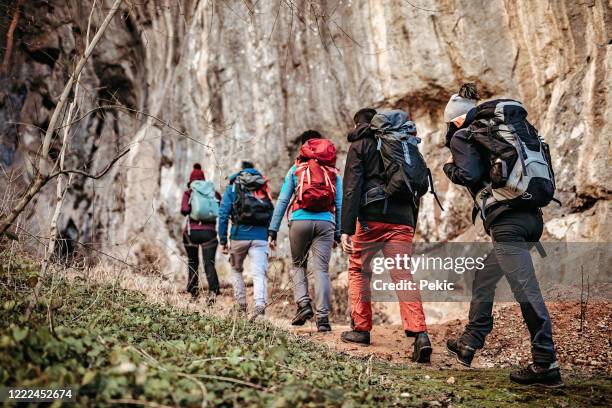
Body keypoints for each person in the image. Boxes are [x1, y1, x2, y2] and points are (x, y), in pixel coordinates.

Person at [442, 83, 563, 388]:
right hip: (531, 217)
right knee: (484, 276)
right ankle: (470, 342)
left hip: (508, 222)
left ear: (456, 120)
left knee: (526, 290)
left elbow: (468, 175)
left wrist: (448, 169)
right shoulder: (507, 130)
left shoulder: (464, 134)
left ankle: (545, 363)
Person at [339, 108, 433, 363]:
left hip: (371, 219)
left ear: (359, 123)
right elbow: (411, 184)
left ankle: (361, 329)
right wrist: (409, 224)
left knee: (359, 270)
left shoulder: (360, 145)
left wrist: (346, 229)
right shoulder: (402, 141)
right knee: (403, 274)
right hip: (402, 219)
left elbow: (351, 187)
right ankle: (420, 334)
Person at [268, 130, 342, 332]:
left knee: (298, 264)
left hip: (299, 221)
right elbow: (339, 203)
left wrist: (273, 229)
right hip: (326, 223)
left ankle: (303, 305)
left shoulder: (296, 169)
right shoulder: (333, 172)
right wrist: (338, 232)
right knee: (321, 270)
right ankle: (323, 319)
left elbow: (283, 200)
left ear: (304, 147)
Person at [218, 161, 274, 318]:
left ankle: (241, 306)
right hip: (261, 237)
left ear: (241, 172)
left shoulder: (234, 187)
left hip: (238, 236)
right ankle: (260, 308)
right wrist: (272, 235)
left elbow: (223, 214)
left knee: (236, 270)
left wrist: (223, 240)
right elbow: (272, 212)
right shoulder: (262, 186)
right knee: (259, 274)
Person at [180, 163, 221, 302]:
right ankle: (213, 293)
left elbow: (184, 210)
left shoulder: (189, 192)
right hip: (209, 234)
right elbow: (220, 208)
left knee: (192, 261)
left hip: (192, 233)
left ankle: (194, 294)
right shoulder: (213, 192)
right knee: (209, 263)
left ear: (191, 181)